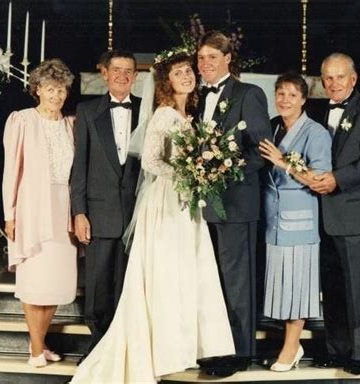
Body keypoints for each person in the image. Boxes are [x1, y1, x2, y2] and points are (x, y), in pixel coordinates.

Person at [71, 48, 235, 384]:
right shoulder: (163, 115)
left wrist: (201, 172)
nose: (187, 77)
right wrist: (186, 172)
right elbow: (150, 161)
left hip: (185, 204)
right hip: (166, 202)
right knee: (162, 275)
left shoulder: (189, 115)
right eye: (178, 73)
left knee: (185, 274)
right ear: (165, 82)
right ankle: (158, 348)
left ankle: (177, 347)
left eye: (189, 71)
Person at [311, 53, 360, 375]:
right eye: (327, 78)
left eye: (339, 77)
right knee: (332, 288)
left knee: (358, 288)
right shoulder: (317, 111)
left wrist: (337, 179)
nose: (333, 84)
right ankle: (336, 349)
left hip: (359, 215)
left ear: (353, 79)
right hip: (325, 215)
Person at [196, 31, 272, 376]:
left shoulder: (248, 94)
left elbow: (262, 150)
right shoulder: (197, 97)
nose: (205, 64)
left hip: (236, 202)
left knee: (236, 280)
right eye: (201, 58)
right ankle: (213, 346)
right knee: (209, 278)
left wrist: (225, 169)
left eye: (212, 57)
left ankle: (239, 352)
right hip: (202, 205)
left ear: (228, 59)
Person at [2, 59, 76, 367]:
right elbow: (11, 171)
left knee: (56, 283)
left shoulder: (72, 124)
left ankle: (40, 343)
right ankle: (35, 350)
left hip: (64, 210)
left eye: (61, 90)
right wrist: (10, 214)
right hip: (32, 209)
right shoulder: (22, 120)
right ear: (37, 90)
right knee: (34, 284)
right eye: (50, 89)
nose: (56, 95)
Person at [258, 72, 332, 371]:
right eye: (280, 93)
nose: (284, 99)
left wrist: (282, 162)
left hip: (299, 221)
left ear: (303, 99)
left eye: (291, 94)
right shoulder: (273, 128)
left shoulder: (316, 133)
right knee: (280, 284)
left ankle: (291, 347)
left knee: (297, 284)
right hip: (273, 219)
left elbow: (320, 179)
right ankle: (288, 343)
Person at [70, 50, 141, 354]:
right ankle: (98, 345)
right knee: (98, 282)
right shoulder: (87, 111)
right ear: (104, 73)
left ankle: (126, 345)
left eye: (128, 71)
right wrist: (79, 212)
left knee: (130, 281)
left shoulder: (149, 110)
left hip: (139, 212)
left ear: (136, 77)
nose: (122, 76)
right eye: (117, 70)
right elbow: (79, 166)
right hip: (99, 211)